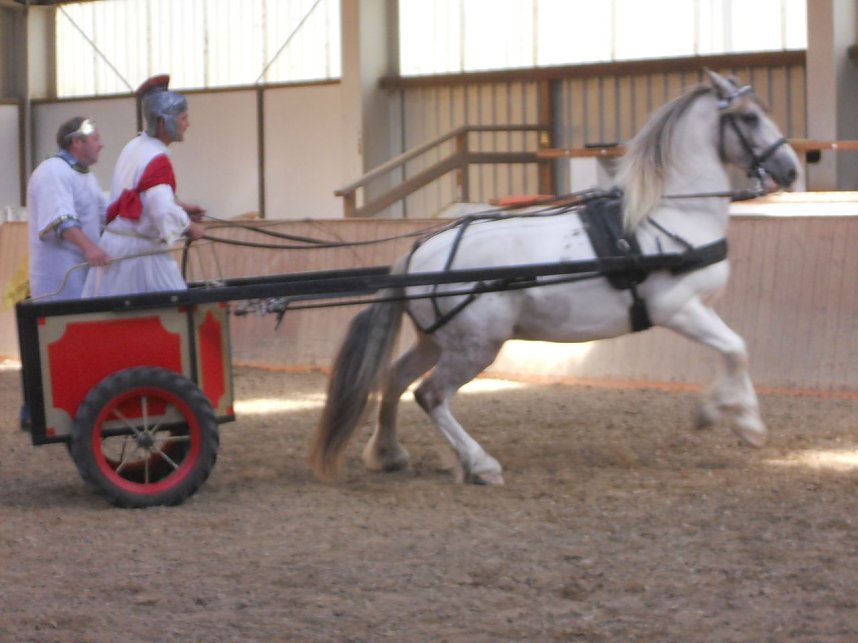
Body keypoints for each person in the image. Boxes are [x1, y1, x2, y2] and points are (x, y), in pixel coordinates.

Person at [82, 74, 204, 297]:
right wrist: (188, 227)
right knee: (173, 310)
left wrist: (183, 207)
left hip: (118, 246)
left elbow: (144, 193)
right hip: (141, 255)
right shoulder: (157, 160)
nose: (188, 124)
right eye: (183, 118)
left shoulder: (136, 146)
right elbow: (161, 209)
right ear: (163, 121)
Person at [27, 116, 109, 300]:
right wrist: (90, 248)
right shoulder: (53, 170)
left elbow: (107, 214)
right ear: (77, 142)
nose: (101, 144)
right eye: (95, 139)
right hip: (59, 280)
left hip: (82, 274)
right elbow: (61, 220)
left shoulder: (87, 177)